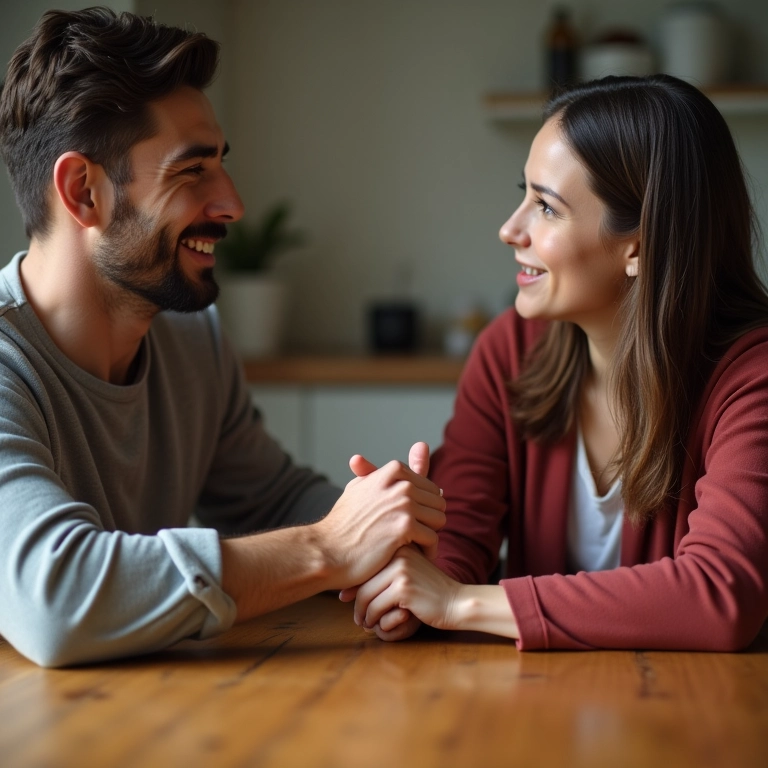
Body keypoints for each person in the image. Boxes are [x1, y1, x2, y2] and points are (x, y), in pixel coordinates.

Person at [0, 7, 446, 668]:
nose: (232, 202)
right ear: (83, 192)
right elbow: (55, 601)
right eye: (192, 171)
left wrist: (388, 527)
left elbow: (269, 501)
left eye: (221, 166)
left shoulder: (191, 340)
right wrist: (330, 548)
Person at [344, 74, 768, 651]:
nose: (509, 229)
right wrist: (411, 570)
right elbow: (461, 535)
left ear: (639, 243)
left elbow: (720, 596)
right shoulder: (509, 352)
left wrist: (455, 602)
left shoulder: (752, 378)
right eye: (524, 195)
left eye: (545, 207)